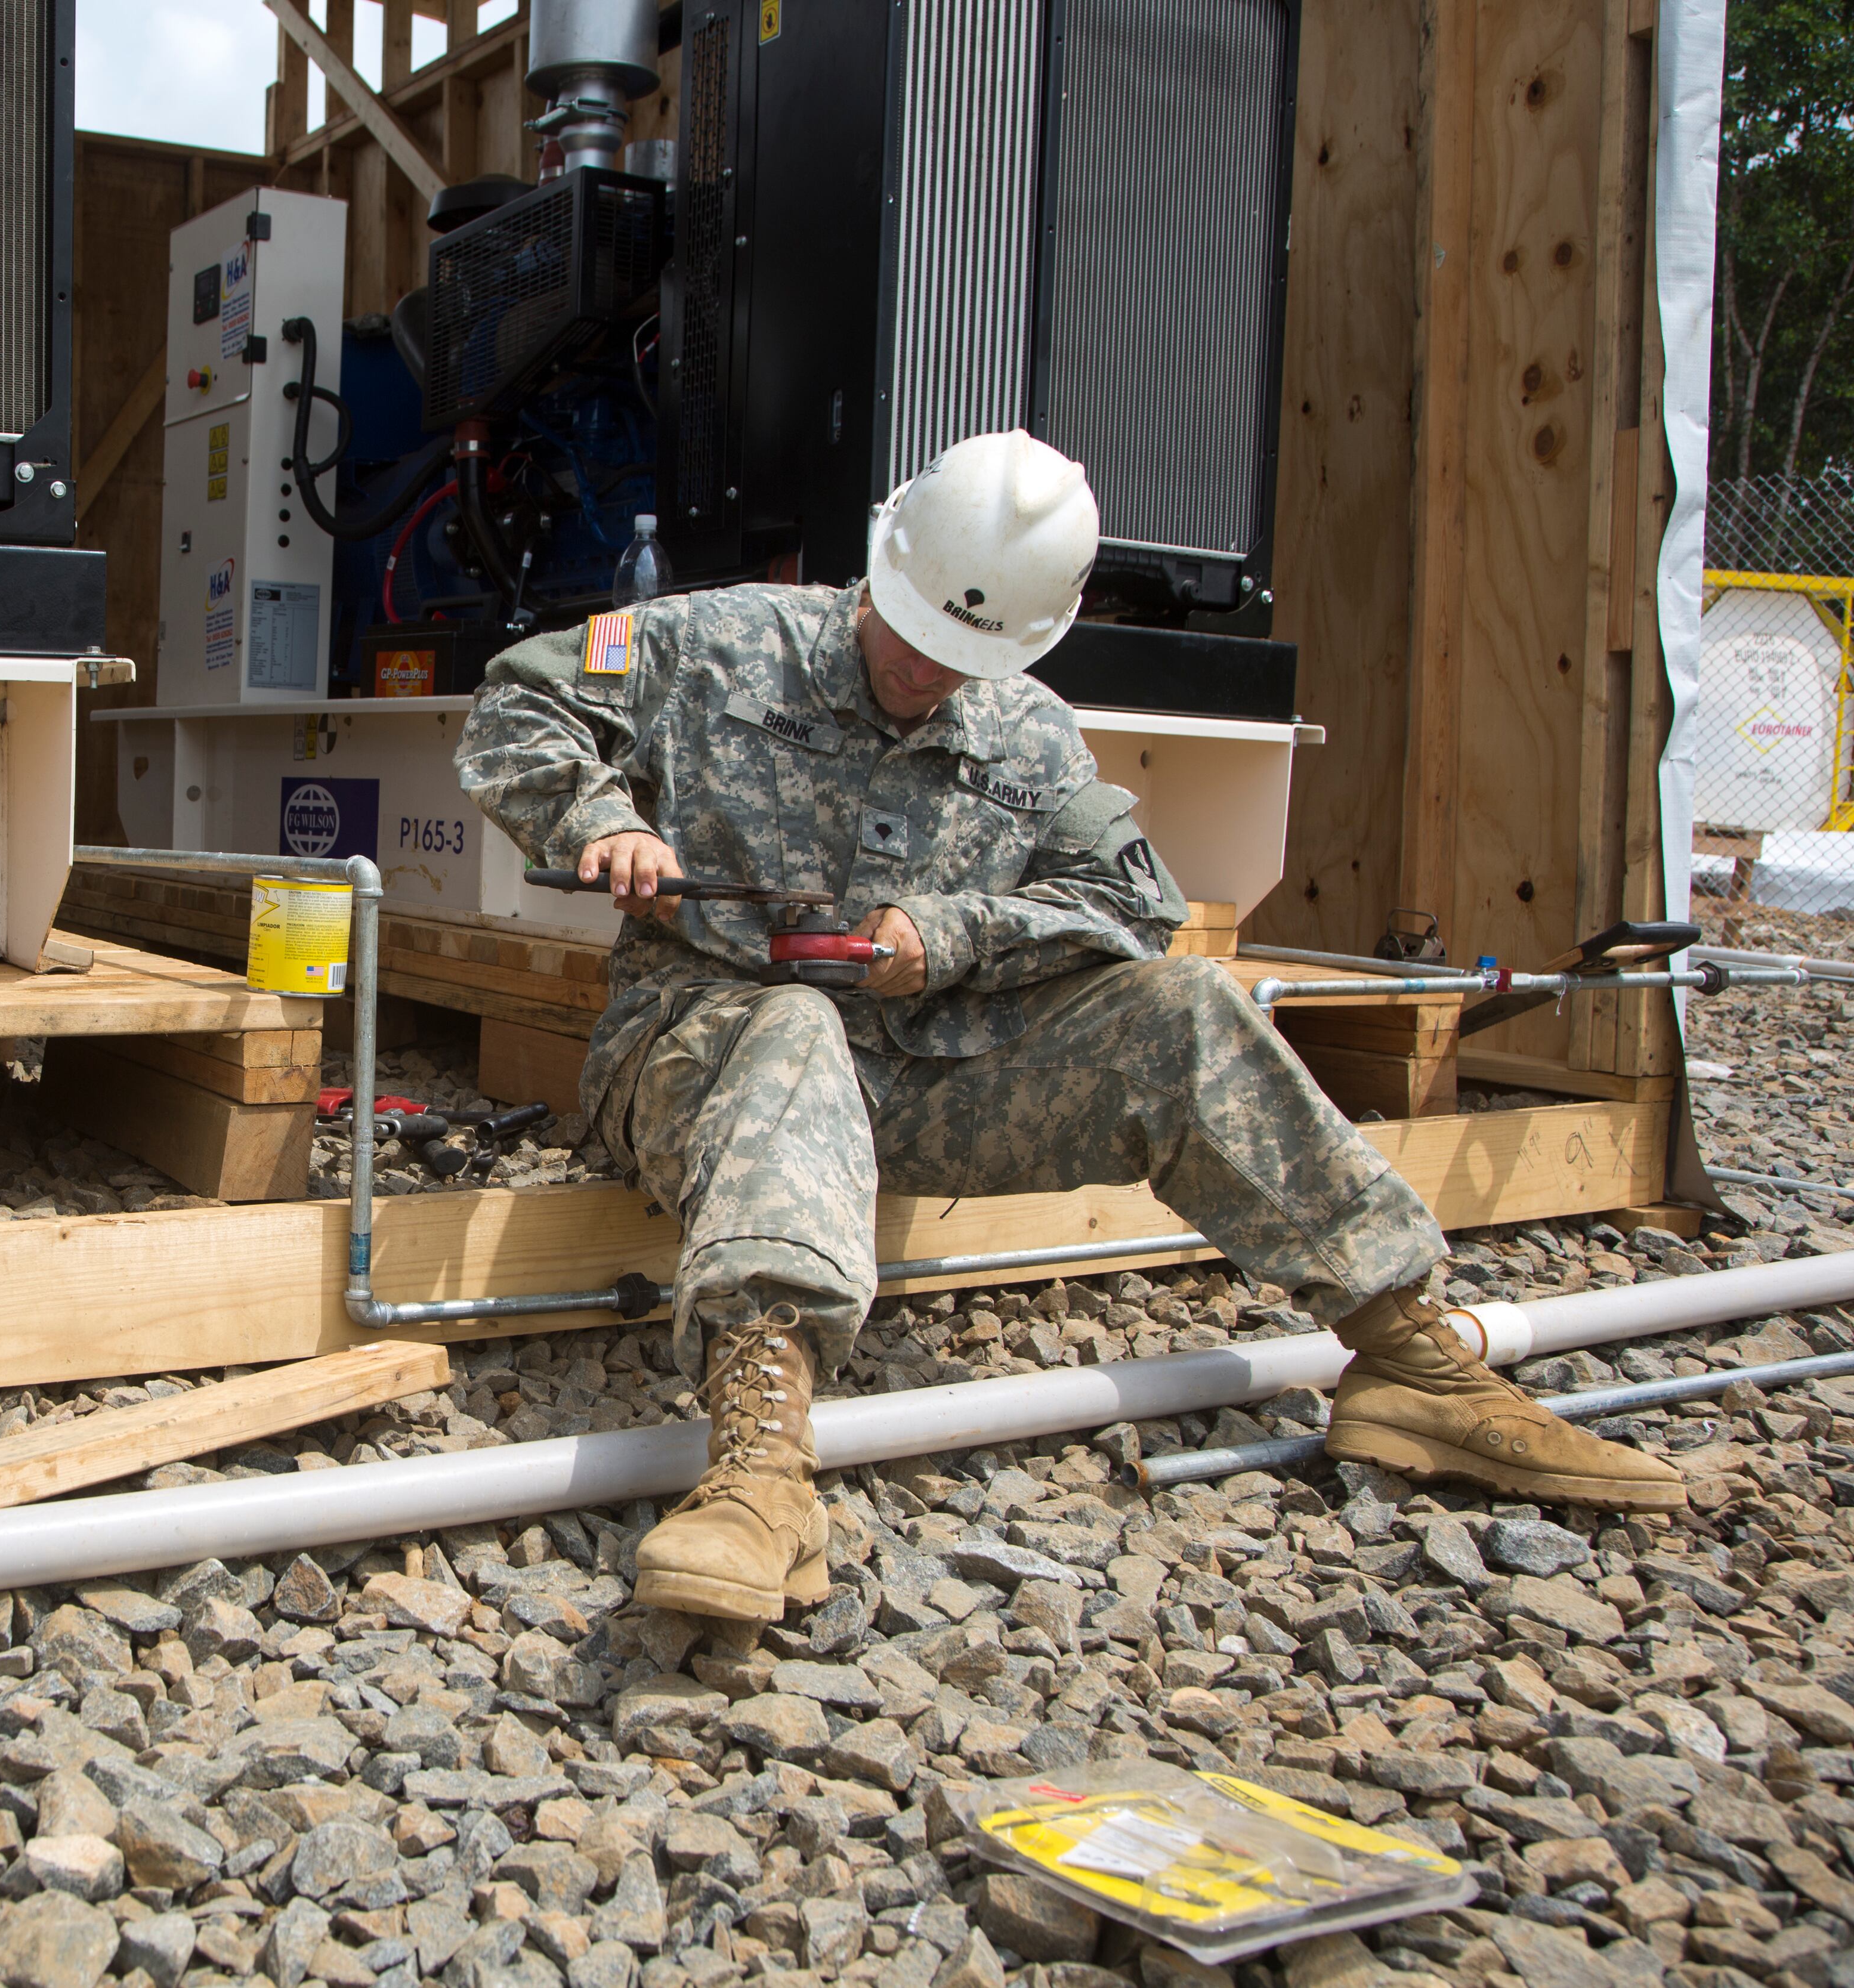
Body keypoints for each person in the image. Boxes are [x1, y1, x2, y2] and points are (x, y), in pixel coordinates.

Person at [452, 430, 1682, 1624]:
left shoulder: (1030, 734)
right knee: (792, 1027)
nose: (923, 674)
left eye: (959, 659)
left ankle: (1410, 1359)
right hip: (703, 1047)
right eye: (912, 636)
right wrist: (602, 819)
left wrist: (953, 935)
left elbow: (1133, 905)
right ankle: (762, 1470)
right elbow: (515, 704)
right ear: (885, 563)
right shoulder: (718, 642)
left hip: (920, 1077)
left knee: (1187, 1008)